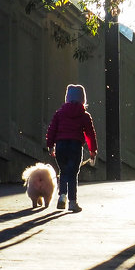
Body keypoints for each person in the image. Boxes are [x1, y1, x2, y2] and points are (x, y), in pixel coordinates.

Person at [45, 84, 98, 212]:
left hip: (61, 145)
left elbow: (52, 129)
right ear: (83, 99)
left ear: (67, 98)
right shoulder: (84, 115)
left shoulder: (59, 113)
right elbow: (90, 134)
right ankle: (72, 202)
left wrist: (50, 145)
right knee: (73, 174)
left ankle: (62, 197)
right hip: (75, 145)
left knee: (63, 171)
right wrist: (93, 150)